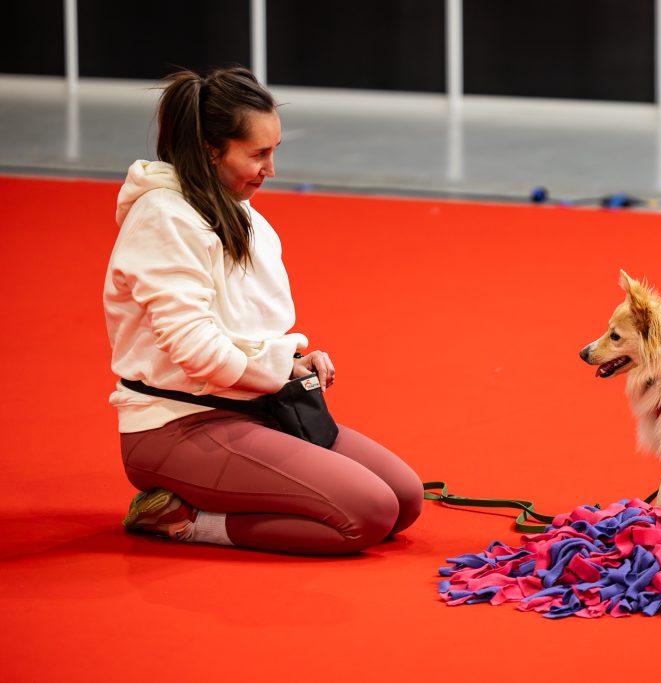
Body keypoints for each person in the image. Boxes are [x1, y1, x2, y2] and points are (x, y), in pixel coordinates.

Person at [103, 66, 422, 554]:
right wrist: (278, 371)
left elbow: (242, 330)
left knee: (404, 499)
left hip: (253, 409)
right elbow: (197, 351)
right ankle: (182, 520)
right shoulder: (163, 218)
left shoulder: (235, 208)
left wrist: (291, 360)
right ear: (210, 151)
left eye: (273, 150)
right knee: (367, 514)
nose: (270, 169)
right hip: (177, 424)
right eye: (257, 154)